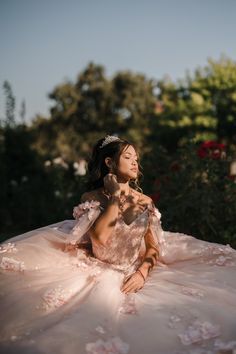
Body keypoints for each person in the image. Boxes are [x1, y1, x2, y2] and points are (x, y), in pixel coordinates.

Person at [0, 135, 236, 354]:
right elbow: (100, 238)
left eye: (137, 158)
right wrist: (114, 196)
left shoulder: (145, 201)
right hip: (98, 269)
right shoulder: (93, 198)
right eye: (128, 157)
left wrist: (143, 273)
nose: (135, 163)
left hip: (133, 271)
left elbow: (153, 247)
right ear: (110, 163)